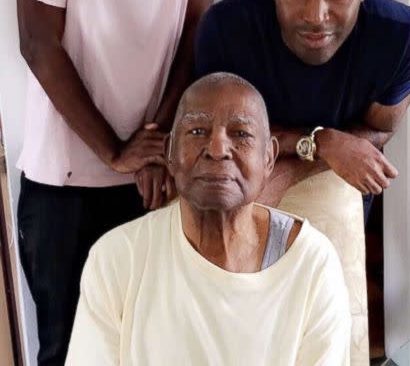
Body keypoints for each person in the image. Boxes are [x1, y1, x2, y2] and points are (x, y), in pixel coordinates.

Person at [7, 0, 242, 365]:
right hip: (62, 185)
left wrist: (157, 144)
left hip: (154, 179)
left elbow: (198, 30)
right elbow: (38, 42)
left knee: (152, 342)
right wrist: (114, 150)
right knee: (67, 347)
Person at [195, 0, 410, 365]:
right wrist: (321, 141)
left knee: (327, 324)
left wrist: (307, 150)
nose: (315, 15)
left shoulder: (401, 37)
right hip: (247, 174)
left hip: (334, 185)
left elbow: (377, 132)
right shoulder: (225, 30)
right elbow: (220, 137)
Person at [66, 73, 351, 366]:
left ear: (268, 159)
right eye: (198, 131)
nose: (217, 149)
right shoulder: (117, 258)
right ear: (170, 154)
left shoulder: (312, 263)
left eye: (241, 133)